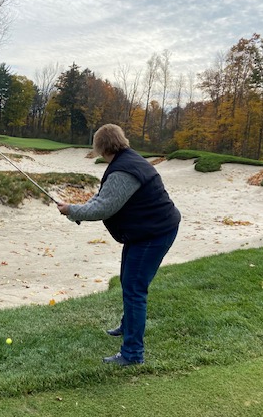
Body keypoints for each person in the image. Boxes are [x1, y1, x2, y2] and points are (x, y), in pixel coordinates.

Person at [57, 124, 181, 366]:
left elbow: (104, 208)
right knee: (129, 281)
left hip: (154, 234)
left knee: (134, 289)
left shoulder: (123, 170)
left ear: (101, 147)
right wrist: (76, 210)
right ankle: (128, 326)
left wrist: (72, 210)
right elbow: (103, 198)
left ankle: (133, 354)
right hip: (146, 231)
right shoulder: (127, 160)